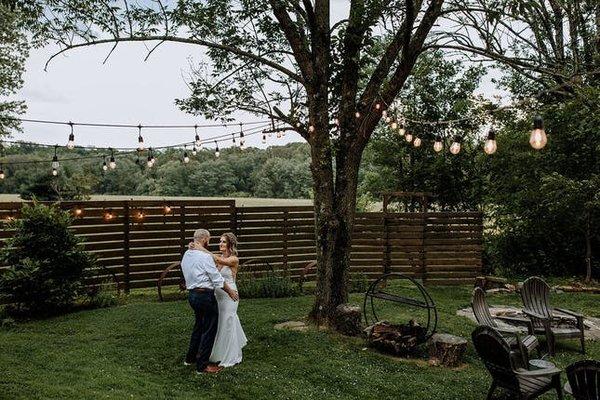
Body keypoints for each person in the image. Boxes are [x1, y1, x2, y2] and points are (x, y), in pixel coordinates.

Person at [181, 229, 238, 374]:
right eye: (211, 239)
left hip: (193, 295)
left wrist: (198, 248)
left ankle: (190, 359)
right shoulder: (206, 257)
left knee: (198, 327)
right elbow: (217, 280)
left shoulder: (187, 254)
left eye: (223, 241)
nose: (214, 243)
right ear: (205, 239)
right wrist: (230, 291)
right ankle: (202, 366)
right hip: (205, 297)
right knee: (209, 329)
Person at [190, 232, 247, 367]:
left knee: (227, 322)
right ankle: (216, 352)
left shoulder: (234, 259)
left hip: (229, 296)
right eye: (220, 241)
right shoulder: (218, 257)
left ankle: (230, 355)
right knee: (218, 323)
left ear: (230, 244)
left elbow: (219, 261)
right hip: (217, 296)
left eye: (224, 242)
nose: (220, 244)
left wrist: (200, 248)